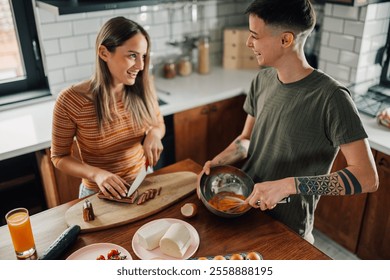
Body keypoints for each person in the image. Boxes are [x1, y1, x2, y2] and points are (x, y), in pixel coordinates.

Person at [200, 0, 379, 243]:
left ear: (286, 40)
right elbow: (247, 141)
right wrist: (219, 161)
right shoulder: (262, 80)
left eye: (255, 35)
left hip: (287, 228)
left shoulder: (332, 97)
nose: (248, 43)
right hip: (245, 211)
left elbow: (367, 177)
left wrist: (288, 185)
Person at [51, 17, 165, 200]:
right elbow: (59, 157)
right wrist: (97, 174)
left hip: (144, 184)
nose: (141, 66)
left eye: (143, 56)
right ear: (104, 53)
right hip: (99, 195)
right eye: (132, 55)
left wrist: (154, 134)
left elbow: (159, 124)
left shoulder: (143, 86)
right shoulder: (70, 101)